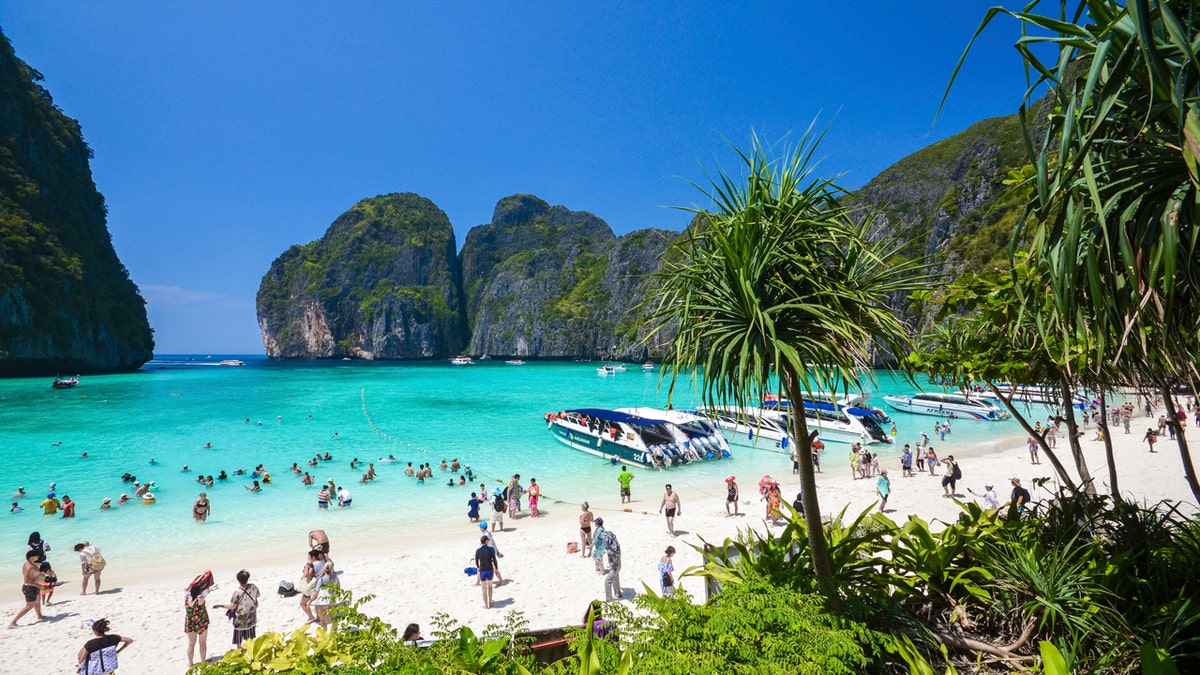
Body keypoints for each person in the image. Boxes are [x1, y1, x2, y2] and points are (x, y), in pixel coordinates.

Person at [216, 570, 260, 645]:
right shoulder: (253, 586)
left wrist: (220, 605)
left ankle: (240, 652)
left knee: (239, 639)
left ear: (238, 580)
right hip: (251, 617)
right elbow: (258, 595)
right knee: (250, 638)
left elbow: (232, 607)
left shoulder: (237, 592)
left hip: (240, 619)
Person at [8, 550, 45, 628]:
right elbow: (26, 581)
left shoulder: (32, 564)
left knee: (38, 601)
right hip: (29, 588)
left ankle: (40, 616)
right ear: (31, 557)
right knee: (29, 606)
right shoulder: (29, 567)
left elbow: (34, 574)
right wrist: (38, 585)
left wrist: (42, 575)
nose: (38, 557)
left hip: (34, 586)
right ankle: (13, 622)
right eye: (37, 556)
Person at [184, 572, 214, 667]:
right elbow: (206, 591)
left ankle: (190, 663)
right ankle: (203, 661)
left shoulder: (187, 598)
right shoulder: (200, 599)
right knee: (202, 643)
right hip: (201, 622)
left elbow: (191, 588)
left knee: (191, 644)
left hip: (190, 621)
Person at [594, 518, 622, 602]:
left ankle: (609, 598)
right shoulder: (615, 544)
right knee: (615, 577)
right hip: (617, 564)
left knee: (607, 581)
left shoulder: (611, 548)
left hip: (615, 565)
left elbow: (611, 555)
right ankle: (618, 594)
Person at [474, 535, 499, 609]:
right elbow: (494, 560)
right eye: (488, 540)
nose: (488, 541)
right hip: (489, 570)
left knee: (484, 589)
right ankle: (490, 602)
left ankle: (486, 605)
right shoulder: (491, 549)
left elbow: (476, 561)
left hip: (482, 571)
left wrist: (478, 567)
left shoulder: (478, 551)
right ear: (486, 541)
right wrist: (496, 568)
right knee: (490, 587)